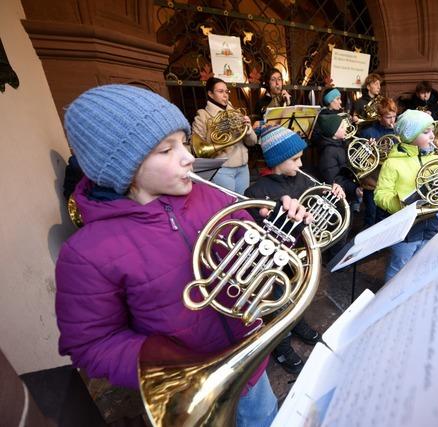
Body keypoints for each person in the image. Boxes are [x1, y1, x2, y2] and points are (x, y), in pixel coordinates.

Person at [56, 84, 312, 427]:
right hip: (189, 386)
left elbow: (253, 252)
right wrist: (173, 370)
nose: (189, 157)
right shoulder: (86, 253)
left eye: (184, 142)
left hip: (251, 361)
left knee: (265, 418)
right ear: (122, 169)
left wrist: (281, 232)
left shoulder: (211, 196)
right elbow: (92, 343)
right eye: (166, 149)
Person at [245, 126, 345, 373]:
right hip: (274, 263)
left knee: (298, 296)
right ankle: (282, 343)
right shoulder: (256, 192)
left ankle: (298, 321)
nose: (301, 164)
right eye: (295, 159)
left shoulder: (303, 179)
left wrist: (333, 195)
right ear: (278, 160)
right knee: (278, 304)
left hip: (300, 259)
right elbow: (255, 235)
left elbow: (318, 205)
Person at [374, 110, 438, 281]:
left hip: (431, 223)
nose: (432, 136)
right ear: (410, 135)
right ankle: (389, 299)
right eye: (426, 132)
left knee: (421, 264)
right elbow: (380, 194)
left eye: (432, 131)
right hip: (407, 228)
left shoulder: (434, 157)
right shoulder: (392, 162)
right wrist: (399, 205)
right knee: (398, 268)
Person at [192, 77, 257, 194]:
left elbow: (252, 142)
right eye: (220, 92)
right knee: (228, 205)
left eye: (227, 91)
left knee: (243, 204)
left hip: (243, 168)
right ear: (210, 94)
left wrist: (248, 129)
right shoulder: (203, 115)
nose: (225, 95)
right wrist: (222, 131)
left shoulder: (236, 113)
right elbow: (197, 148)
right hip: (223, 169)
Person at [357, 97, 398, 227]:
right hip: (372, 182)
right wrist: (368, 149)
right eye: (388, 117)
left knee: (385, 216)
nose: (392, 121)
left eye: (394, 116)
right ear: (379, 117)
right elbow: (359, 160)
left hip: (390, 181)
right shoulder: (368, 132)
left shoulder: (398, 133)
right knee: (371, 215)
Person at [312, 113, 360, 201]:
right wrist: (354, 189)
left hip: (349, 192)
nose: (345, 127)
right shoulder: (328, 153)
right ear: (333, 133)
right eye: (342, 127)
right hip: (341, 197)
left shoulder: (341, 143)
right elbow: (335, 180)